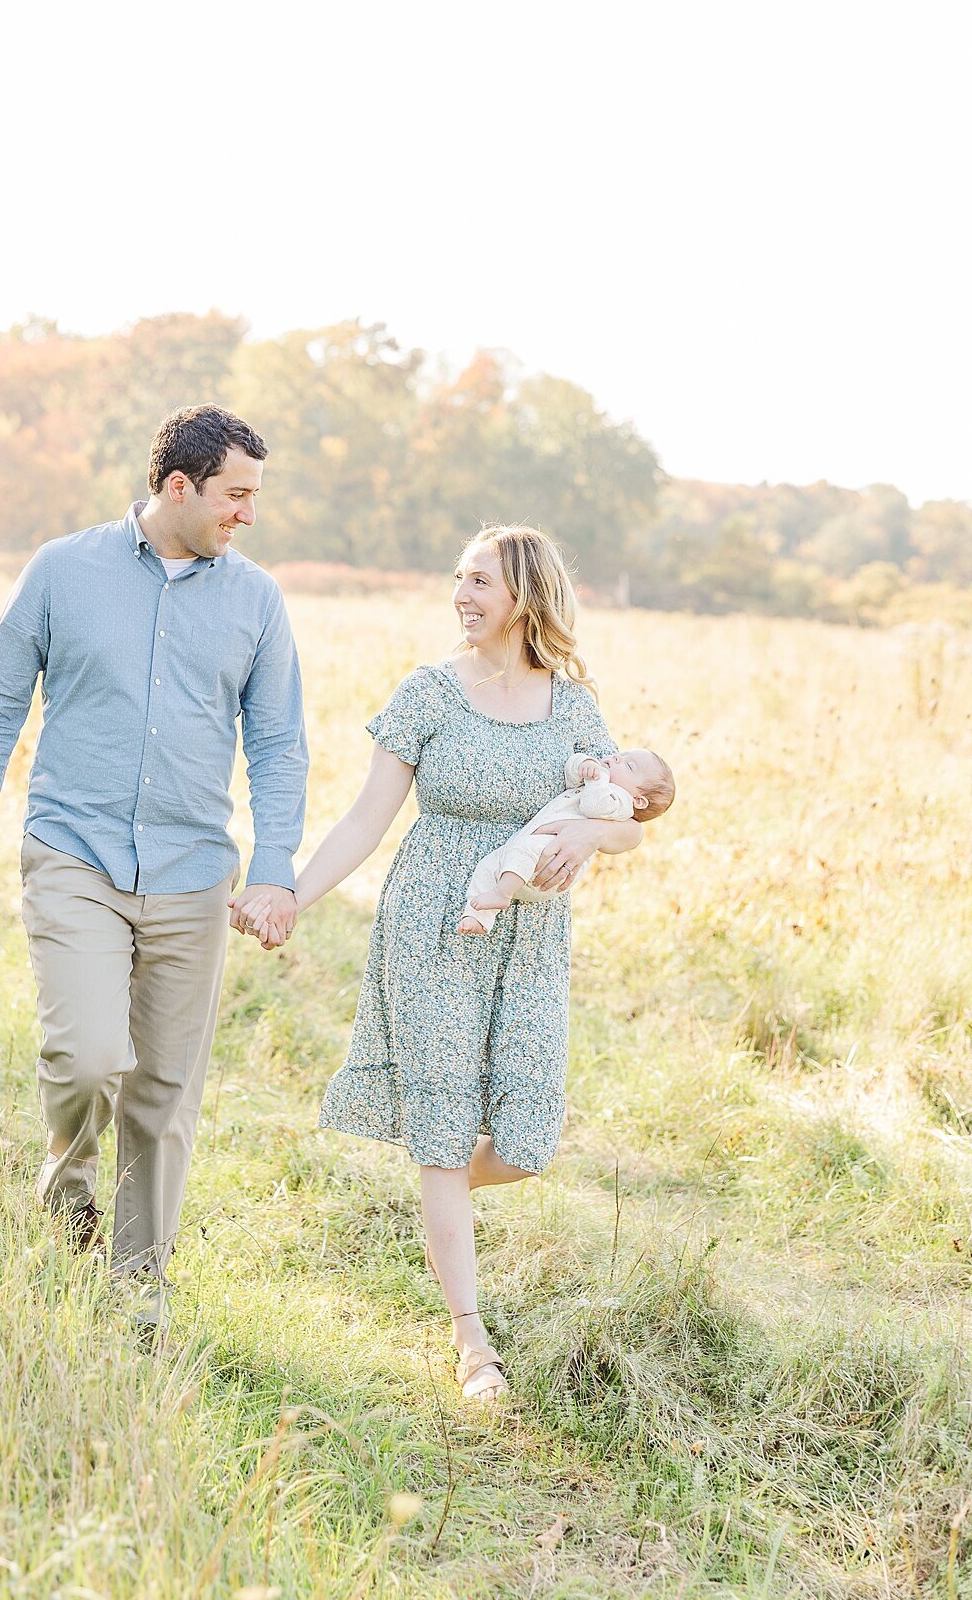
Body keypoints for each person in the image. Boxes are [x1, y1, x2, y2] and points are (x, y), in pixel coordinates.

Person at [239, 524, 642, 1403]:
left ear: (526, 598)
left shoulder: (572, 705)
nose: (461, 595)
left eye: (481, 583)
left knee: (528, 1140)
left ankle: (438, 1183)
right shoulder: (427, 694)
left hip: (530, 941)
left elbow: (627, 815)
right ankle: (472, 1342)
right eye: (458, 578)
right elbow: (364, 820)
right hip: (433, 925)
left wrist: (587, 828)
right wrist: (289, 897)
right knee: (445, 1120)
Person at [0, 404, 307, 1305]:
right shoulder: (63, 569)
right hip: (76, 851)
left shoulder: (256, 598)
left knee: (163, 1093)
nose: (247, 516)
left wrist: (273, 867)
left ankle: (136, 1290)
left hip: (192, 872)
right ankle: (67, 1189)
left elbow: (278, 743)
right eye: (236, 495)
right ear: (178, 487)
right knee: (88, 1057)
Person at [458, 747, 674, 933]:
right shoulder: (599, 782)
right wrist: (585, 764)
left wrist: (598, 777)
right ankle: (477, 918)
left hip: (552, 854)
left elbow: (593, 805)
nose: (617, 759)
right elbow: (571, 776)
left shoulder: (620, 802)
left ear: (639, 800)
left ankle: (501, 893)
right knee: (487, 866)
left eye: (629, 766)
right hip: (532, 845)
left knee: (523, 851)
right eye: (620, 755)